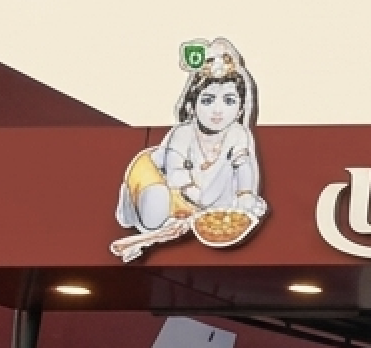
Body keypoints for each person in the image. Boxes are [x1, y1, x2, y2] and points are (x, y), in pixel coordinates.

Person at [113, 38, 265, 259]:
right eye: (208, 100)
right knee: (155, 215)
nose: (217, 111)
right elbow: (175, 174)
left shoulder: (238, 134)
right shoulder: (182, 133)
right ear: (191, 106)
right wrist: (201, 204)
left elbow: (243, 167)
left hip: (199, 192)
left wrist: (246, 195)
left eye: (229, 101)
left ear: (241, 108)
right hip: (160, 176)